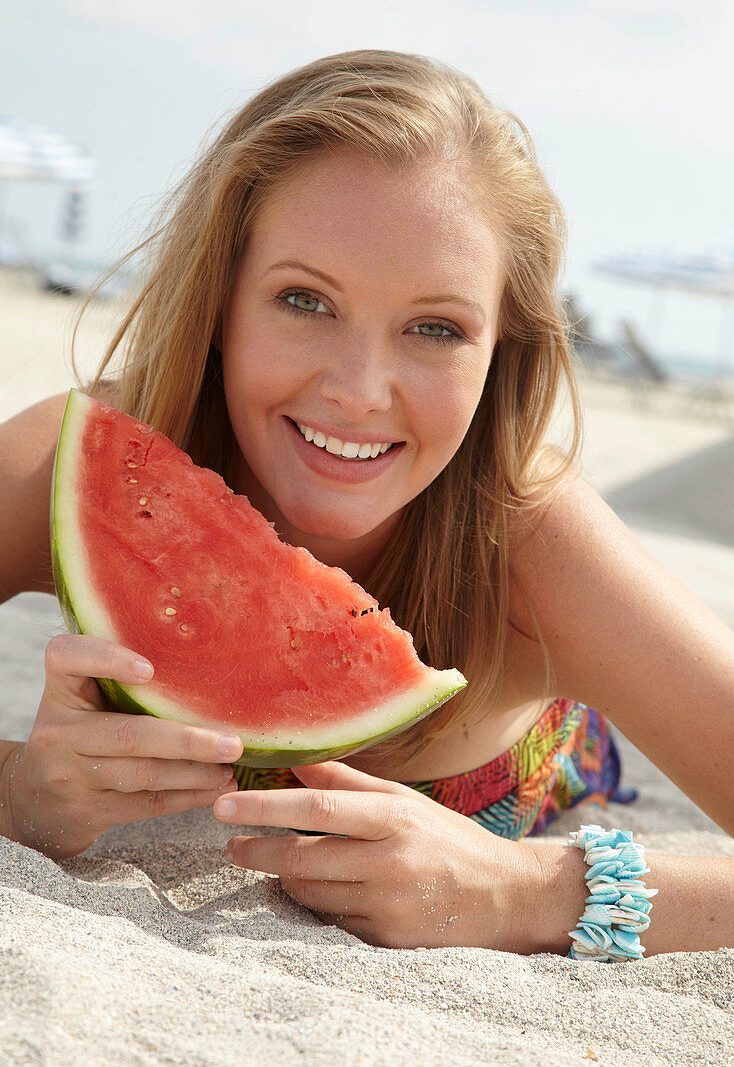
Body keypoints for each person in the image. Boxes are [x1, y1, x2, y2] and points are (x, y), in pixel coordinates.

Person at [0, 50, 732, 959]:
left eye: (435, 328)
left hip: (547, 764)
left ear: (501, 347)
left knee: (581, 767)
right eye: (304, 300)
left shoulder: (536, 543)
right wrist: (17, 794)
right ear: (222, 298)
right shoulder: (79, 462)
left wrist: (529, 888)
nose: (358, 391)